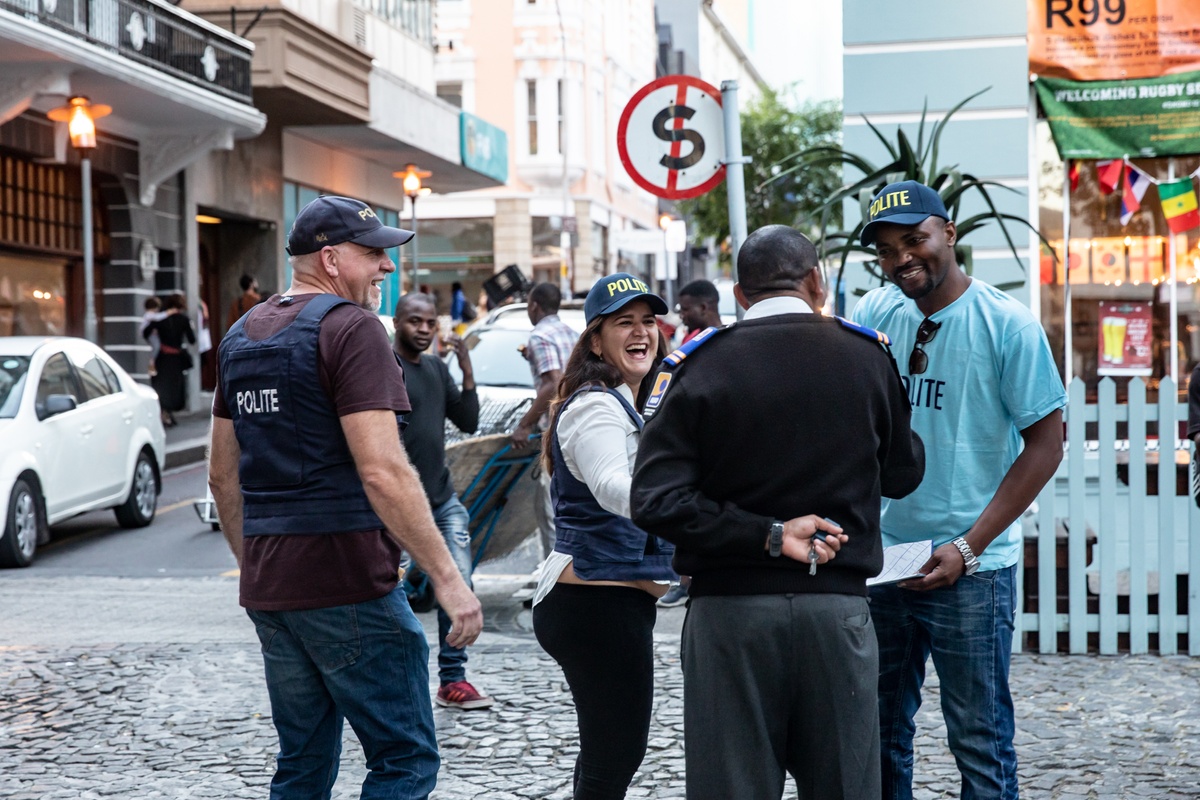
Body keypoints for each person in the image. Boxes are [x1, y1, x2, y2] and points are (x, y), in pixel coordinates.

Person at [631, 225, 925, 800]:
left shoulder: (694, 366)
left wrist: (765, 534)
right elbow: (903, 474)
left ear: (739, 295)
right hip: (836, 612)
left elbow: (655, 501)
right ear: (816, 282)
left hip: (730, 616)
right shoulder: (867, 356)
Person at [207, 195, 483, 799]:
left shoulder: (240, 334)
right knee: (404, 759)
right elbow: (384, 469)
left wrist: (251, 564)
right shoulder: (351, 329)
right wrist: (449, 578)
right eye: (372, 253)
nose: (386, 267)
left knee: (302, 763)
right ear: (330, 260)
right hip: (347, 578)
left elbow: (222, 477)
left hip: (273, 585)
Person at [852, 180, 1066, 800]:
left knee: (979, 739)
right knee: (878, 732)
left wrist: (968, 547)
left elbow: (1046, 447)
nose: (902, 260)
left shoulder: (1009, 326)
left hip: (973, 569)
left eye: (914, 240)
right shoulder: (872, 316)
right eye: (887, 250)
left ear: (949, 233)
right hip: (886, 562)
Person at [531, 272, 675, 800]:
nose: (640, 333)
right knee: (614, 753)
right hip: (594, 603)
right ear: (595, 338)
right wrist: (692, 513)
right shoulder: (596, 404)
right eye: (623, 323)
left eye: (647, 321)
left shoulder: (627, 400)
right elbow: (616, 487)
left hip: (605, 603)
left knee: (608, 753)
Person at [392, 292, 494, 711]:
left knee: (460, 582)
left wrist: (466, 367)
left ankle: (453, 678)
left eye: (430, 323)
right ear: (398, 322)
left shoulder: (434, 367)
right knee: (386, 595)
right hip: (395, 506)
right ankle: (394, 681)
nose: (423, 329)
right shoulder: (385, 369)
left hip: (441, 499)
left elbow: (468, 421)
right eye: (415, 321)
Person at [657, 279, 725, 607]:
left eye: (686, 309)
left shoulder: (718, 342)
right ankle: (685, 580)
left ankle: (687, 581)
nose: (682, 315)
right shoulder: (692, 338)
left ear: (705, 307)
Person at [511, 282, 580, 560]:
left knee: (551, 511)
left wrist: (524, 424)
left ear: (534, 306)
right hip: (576, 424)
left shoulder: (539, 336)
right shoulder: (570, 333)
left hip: (555, 431)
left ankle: (557, 575)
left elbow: (552, 384)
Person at [144, 293, 195, 427]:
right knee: (175, 386)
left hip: (163, 356)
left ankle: (164, 412)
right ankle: (169, 413)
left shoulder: (160, 319)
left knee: (161, 385)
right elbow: (192, 339)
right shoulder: (184, 319)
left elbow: (145, 332)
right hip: (176, 358)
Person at [676, 279, 723, 344]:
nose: (681, 316)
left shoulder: (729, 342)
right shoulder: (690, 340)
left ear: (703, 308)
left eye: (685, 309)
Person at [140, 296, 166, 377]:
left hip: (150, 334)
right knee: (156, 346)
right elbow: (158, 317)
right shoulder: (150, 314)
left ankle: (152, 363)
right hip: (149, 335)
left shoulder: (148, 315)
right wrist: (168, 312)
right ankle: (152, 362)